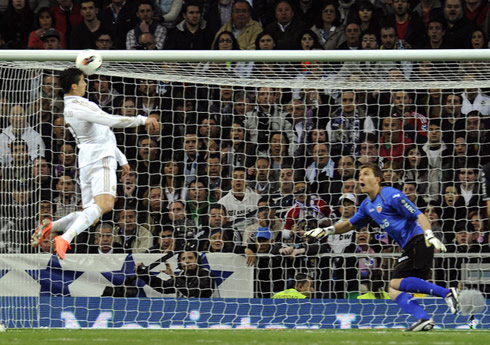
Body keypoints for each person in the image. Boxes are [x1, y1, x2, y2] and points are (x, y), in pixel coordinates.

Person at [306, 162, 460, 332]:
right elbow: (350, 224)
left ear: (377, 179)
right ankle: (423, 318)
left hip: (419, 240)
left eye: (366, 174)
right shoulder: (366, 205)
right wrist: (326, 230)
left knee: (395, 282)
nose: (361, 178)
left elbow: (419, 214)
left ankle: (446, 293)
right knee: (394, 290)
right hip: (409, 245)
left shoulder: (390, 195)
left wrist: (429, 234)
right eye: (360, 175)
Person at [30, 67, 159, 259]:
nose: (86, 84)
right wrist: (142, 119)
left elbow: (101, 134)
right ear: (74, 86)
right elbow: (110, 121)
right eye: (83, 81)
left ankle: (52, 226)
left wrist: (121, 158)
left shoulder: (80, 104)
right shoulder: (76, 109)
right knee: (106, 205)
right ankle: (65, 237)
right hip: (100, 160)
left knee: (91, 214)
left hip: (89, 161)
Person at [136, 249, 215, 298]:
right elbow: (163, 287)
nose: (187, 261)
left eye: (190, 258)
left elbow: (195, 293)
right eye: (184, 259)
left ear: (197, 260)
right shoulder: (181, 276)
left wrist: (174, 277)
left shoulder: (205, 274)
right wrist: (145, 274)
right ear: (180, 263)